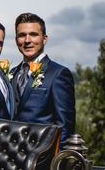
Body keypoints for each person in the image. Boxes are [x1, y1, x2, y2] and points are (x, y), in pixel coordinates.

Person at [11, 13, 75, 144]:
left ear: (44, 39)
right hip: (11, 158)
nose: (27, 40)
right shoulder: (11, 74)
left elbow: (65, 127)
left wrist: (56, 162)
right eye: (22, 35)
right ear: (16, 39)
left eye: (33, 34)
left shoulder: (58, 74)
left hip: (43, 159)